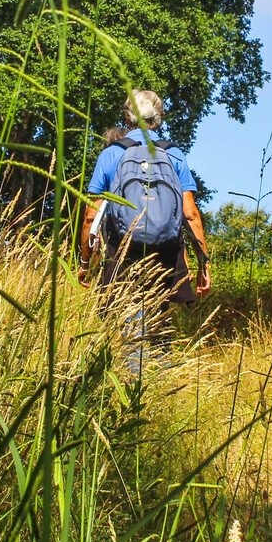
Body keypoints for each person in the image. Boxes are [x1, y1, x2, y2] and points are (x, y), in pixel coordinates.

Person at [79, 91, 210, 369]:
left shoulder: (112, 154)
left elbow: (92, 214)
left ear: (127, 117)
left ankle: (133, 389)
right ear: (158, 119)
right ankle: (158, 387)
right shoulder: (174, 155)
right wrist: (203, 261)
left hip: (122, 250)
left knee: (129, 320)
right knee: (158, 320)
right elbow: (190, 213)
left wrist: (84, 260)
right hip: (166, 251)